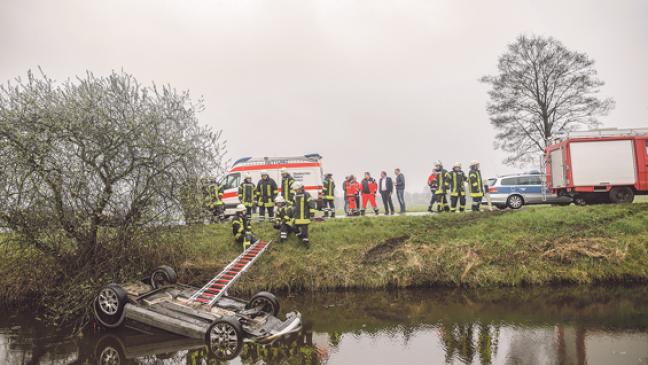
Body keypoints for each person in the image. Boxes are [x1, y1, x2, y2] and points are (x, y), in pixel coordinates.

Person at [291, 182, 316, 247]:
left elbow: (311, 204)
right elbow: (295, 207)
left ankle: (306, 244)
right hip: (297, 216)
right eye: (295, 190)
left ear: (301, 188)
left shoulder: (306, 194)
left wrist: (312, 214)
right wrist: (293, 216)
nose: (296, 191)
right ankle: (300, 236)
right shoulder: (295, 196)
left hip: (305, 216)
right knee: (294, 227)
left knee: (304, 231)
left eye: (297, 189)